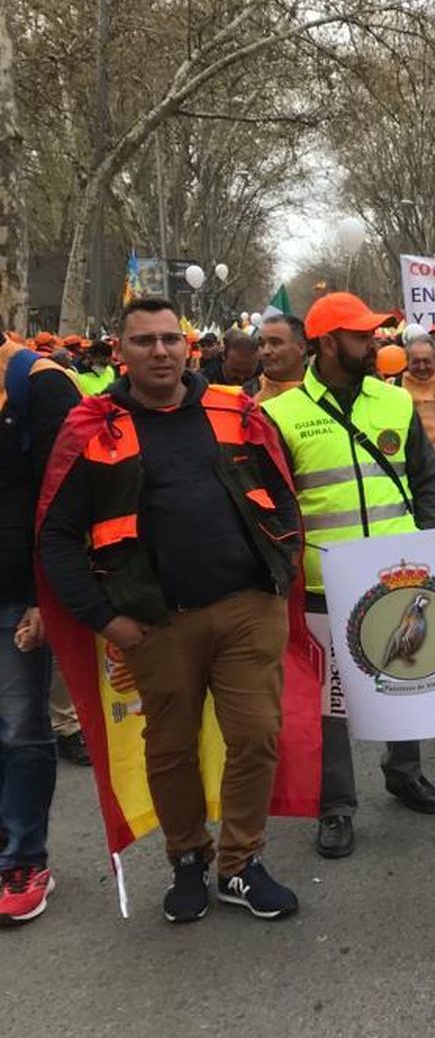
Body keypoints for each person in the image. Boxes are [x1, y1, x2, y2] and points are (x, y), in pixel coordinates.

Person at [38, 297, 302, 922]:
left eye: (168, 340)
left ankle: (240, 865)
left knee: (257, 737)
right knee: (172, 749)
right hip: (155, 624)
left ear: (187, 346)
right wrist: (106, 620)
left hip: (246, 610)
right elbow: (54, 535)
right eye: (144, 341)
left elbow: (284, 495)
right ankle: (188, 858)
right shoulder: (91, 427)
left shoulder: (235, 410)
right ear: (119, 351)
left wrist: (281, 569)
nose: (159, 351)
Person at [260, 292, 435, 860]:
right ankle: (336, 805)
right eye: (361, 336)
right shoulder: (279, 414)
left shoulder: (392, 403)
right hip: (322, 582)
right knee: (331, 703)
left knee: (404, 676)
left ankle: (405, 770)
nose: (374, 344)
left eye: (373, 334)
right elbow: (271, 507)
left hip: (397, 573)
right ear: (326, 342)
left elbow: (427, 479)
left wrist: (429, 539)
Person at [0, 337, 80, 923]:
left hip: (14, 598)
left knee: (22, 730)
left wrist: (45, 598)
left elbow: (63, 501)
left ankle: (23, 858)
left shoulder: (39, 381)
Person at [401, 336, 435, 448]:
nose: (421, 367)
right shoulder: (394, 386)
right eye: (416, 362)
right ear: (407, 361)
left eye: (427, 361)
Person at [254, 315, 307, 401]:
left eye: (275, 343)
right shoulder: (245, 397)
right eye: (262, 344)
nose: (266, 351)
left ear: (301, 347)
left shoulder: (325, 396)